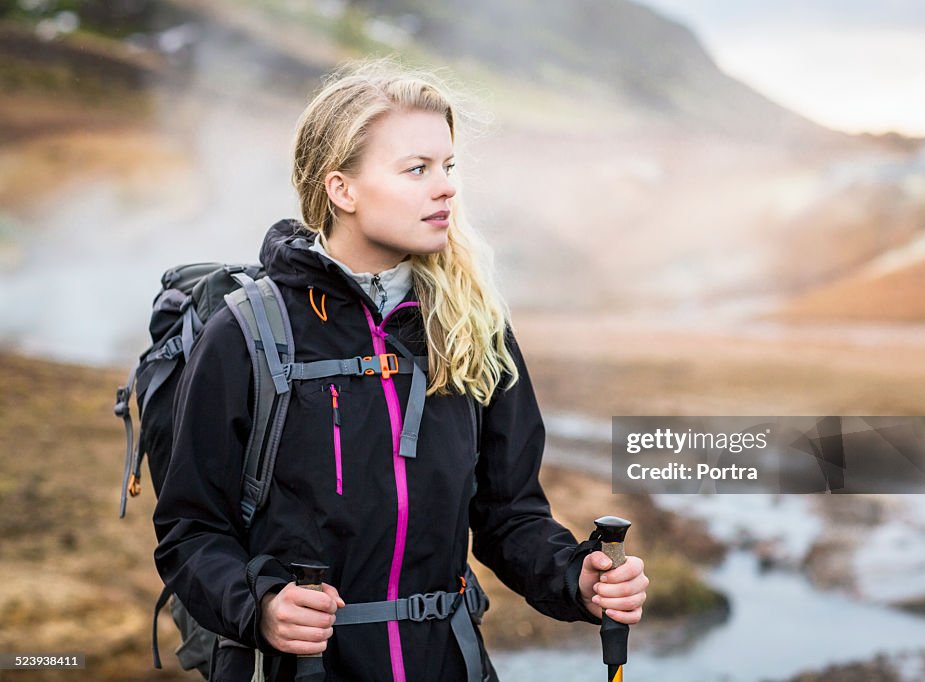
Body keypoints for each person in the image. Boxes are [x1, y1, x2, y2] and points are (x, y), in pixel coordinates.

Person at [153, 58, 648, 682]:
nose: (445, 187)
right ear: (342, 189)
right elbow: (191, 531)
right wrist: (261, 607)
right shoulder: (246, 334)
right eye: (416, 169)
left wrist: (574, 577)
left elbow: (508, 514)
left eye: (448, 167)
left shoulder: (473, 325)